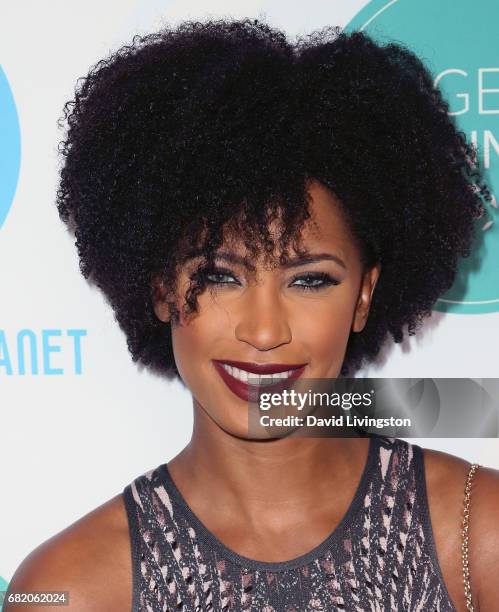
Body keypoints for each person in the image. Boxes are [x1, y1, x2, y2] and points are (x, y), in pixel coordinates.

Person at [6, 18, 499, 612]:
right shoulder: (71, 590)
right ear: (162, 286)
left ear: (364, 296)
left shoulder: (479, 539)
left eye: (309, 279)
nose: (264, 331)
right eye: (220, 276)